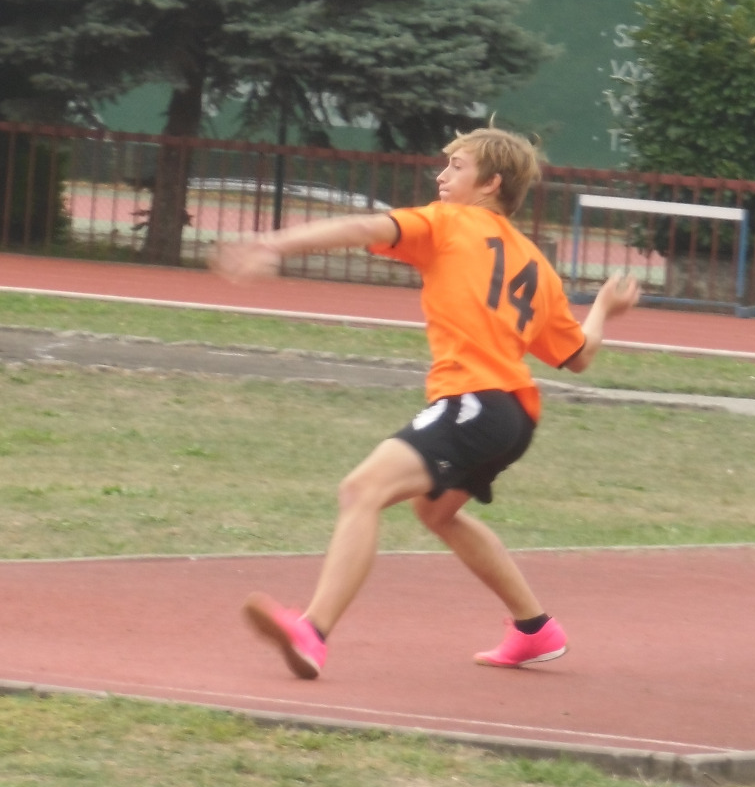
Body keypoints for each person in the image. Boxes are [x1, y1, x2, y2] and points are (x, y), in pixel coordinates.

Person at [210, 126, 640, 680]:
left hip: (474, 401)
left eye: (457, 166)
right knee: (435, 512)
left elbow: (364, 227)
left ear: (491, 183)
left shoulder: (449, 222)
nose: (442, 175)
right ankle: (535, 629)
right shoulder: (536, 264)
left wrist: (274, 244)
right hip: (514, 418)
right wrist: (602, 307)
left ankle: (312, 631)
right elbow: (578, 355)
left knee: (361, 490)